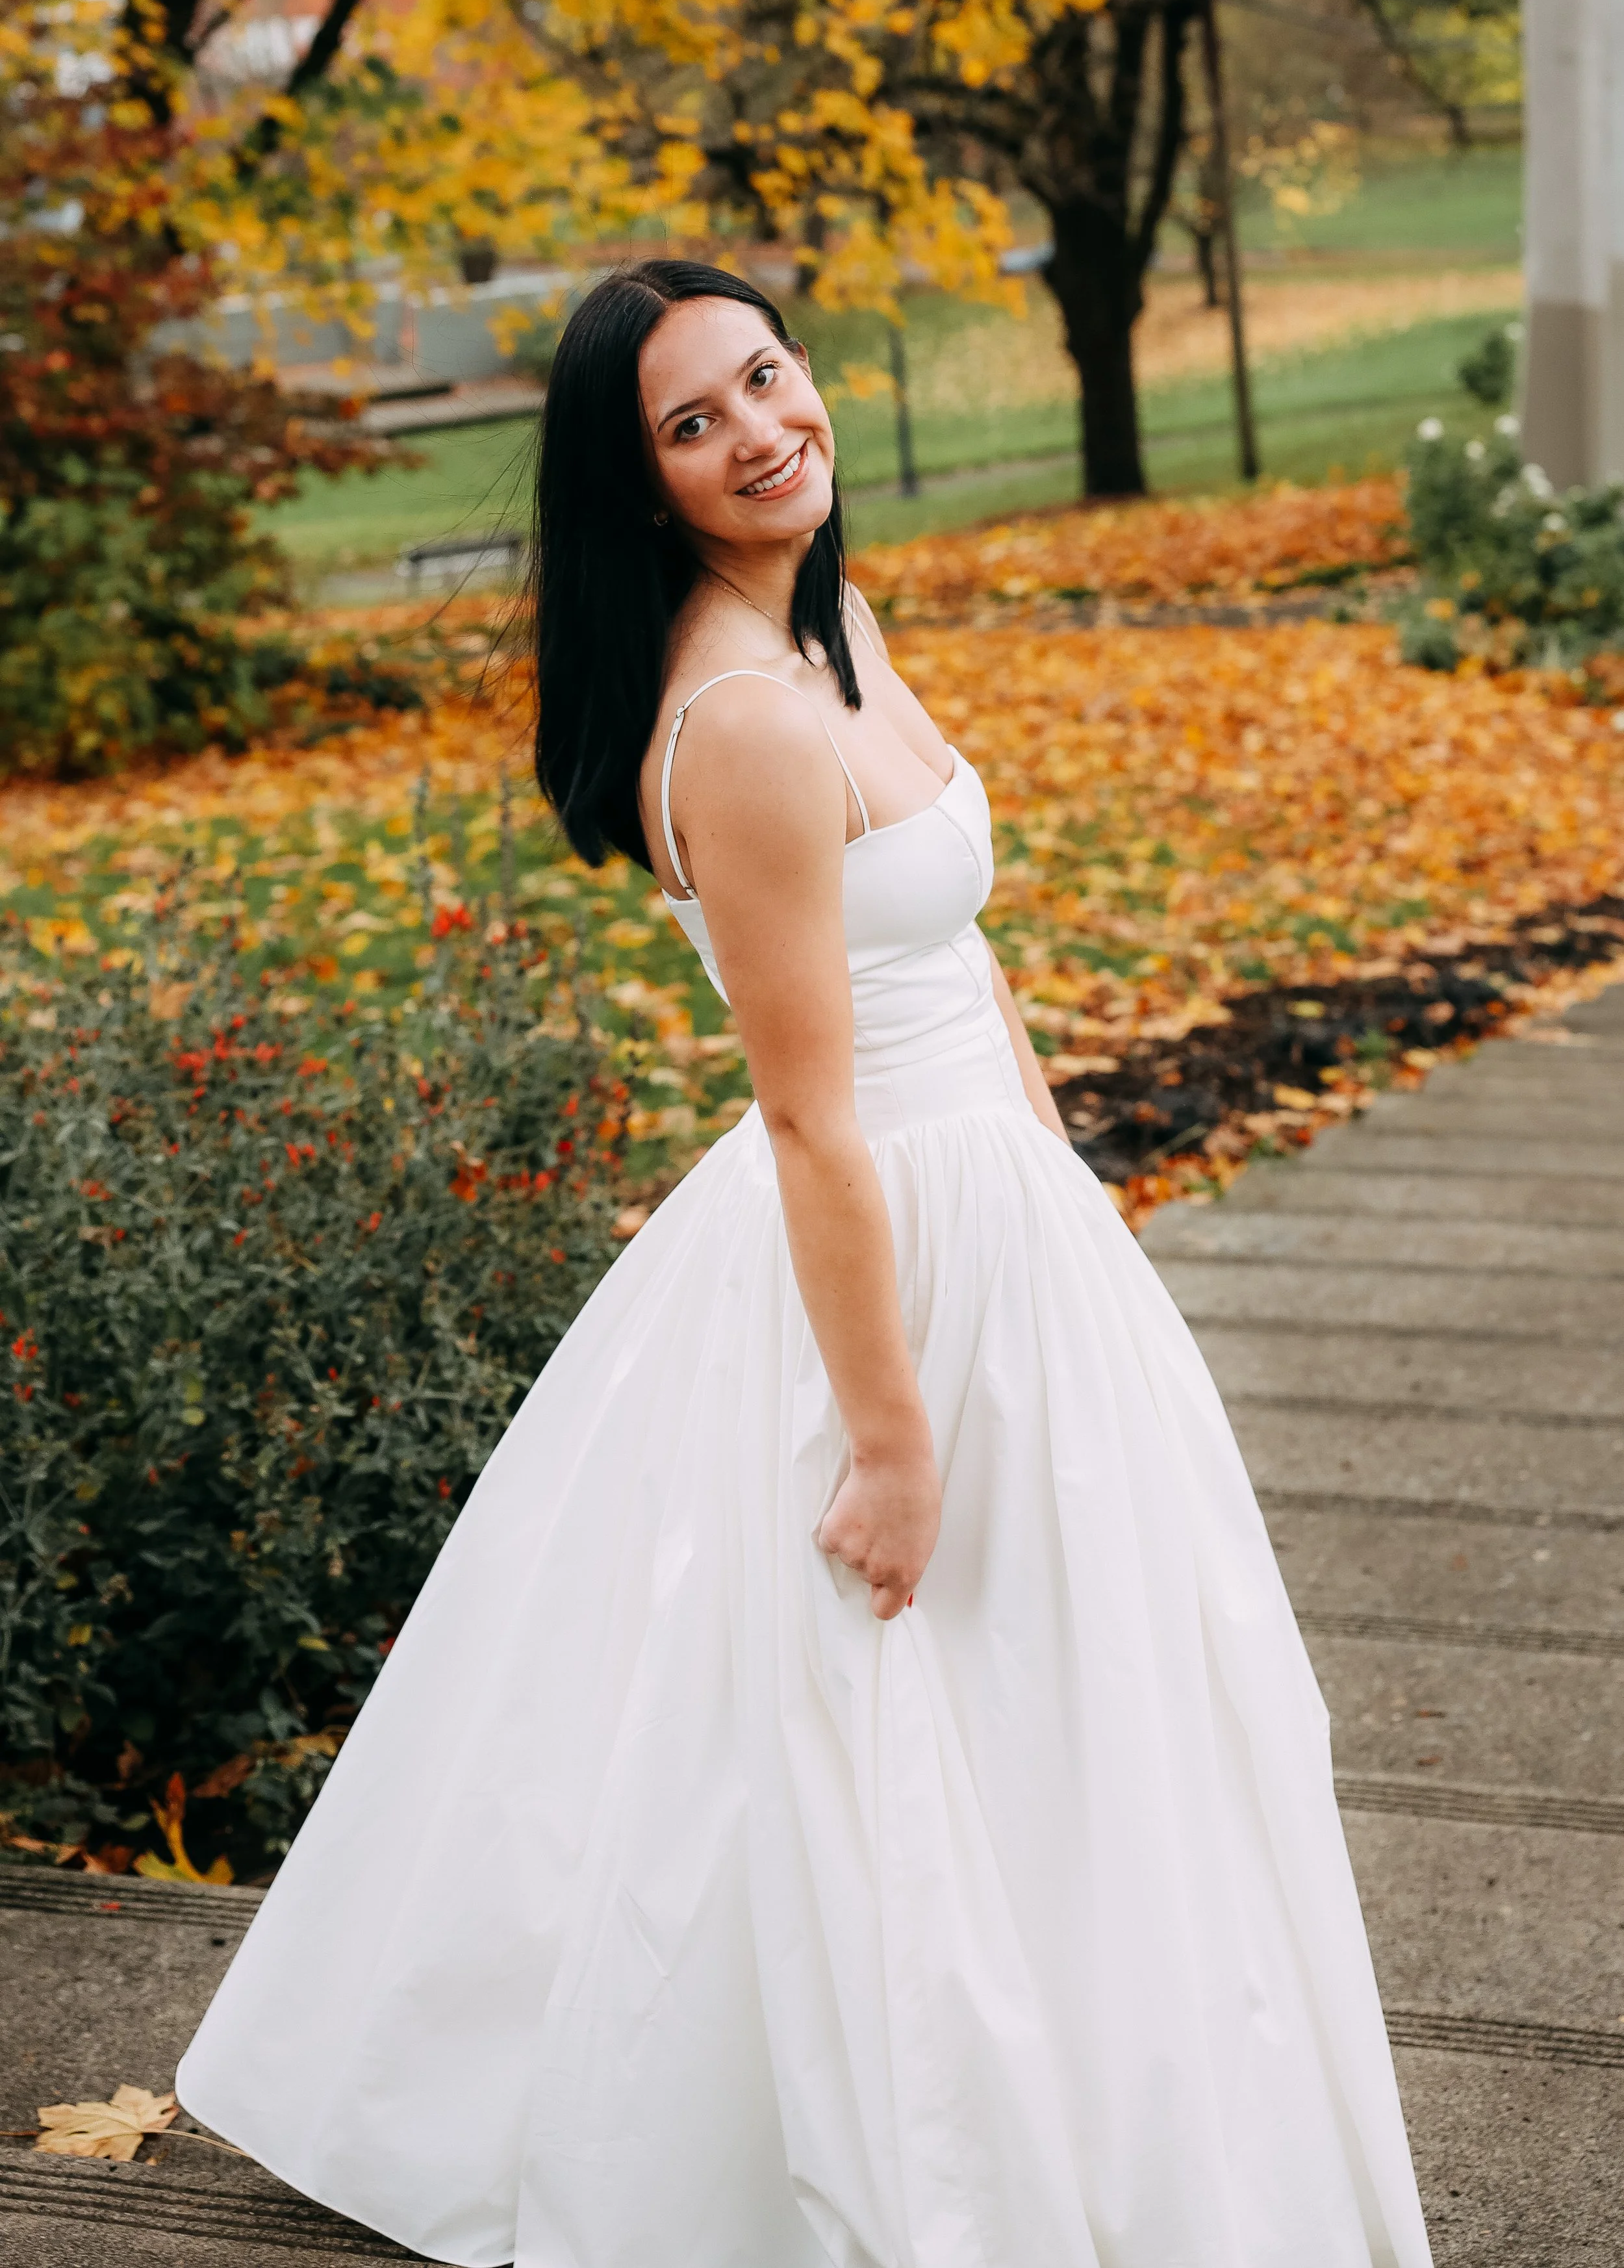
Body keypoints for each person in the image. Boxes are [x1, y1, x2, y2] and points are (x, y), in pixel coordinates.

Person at [178, 261, 1434, 2268]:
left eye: (765, 376)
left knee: (1099, 1693)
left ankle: (1134, 2102)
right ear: (641, 483)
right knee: (870, 1722)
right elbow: (810, 1119)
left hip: (1001, 1223)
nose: (760, 429)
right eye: (694, 422)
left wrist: (1068, 1205)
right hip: (872, 1252)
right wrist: (890, 1439)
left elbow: (958, 952)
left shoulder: (828, 612)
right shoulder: (742, 716)